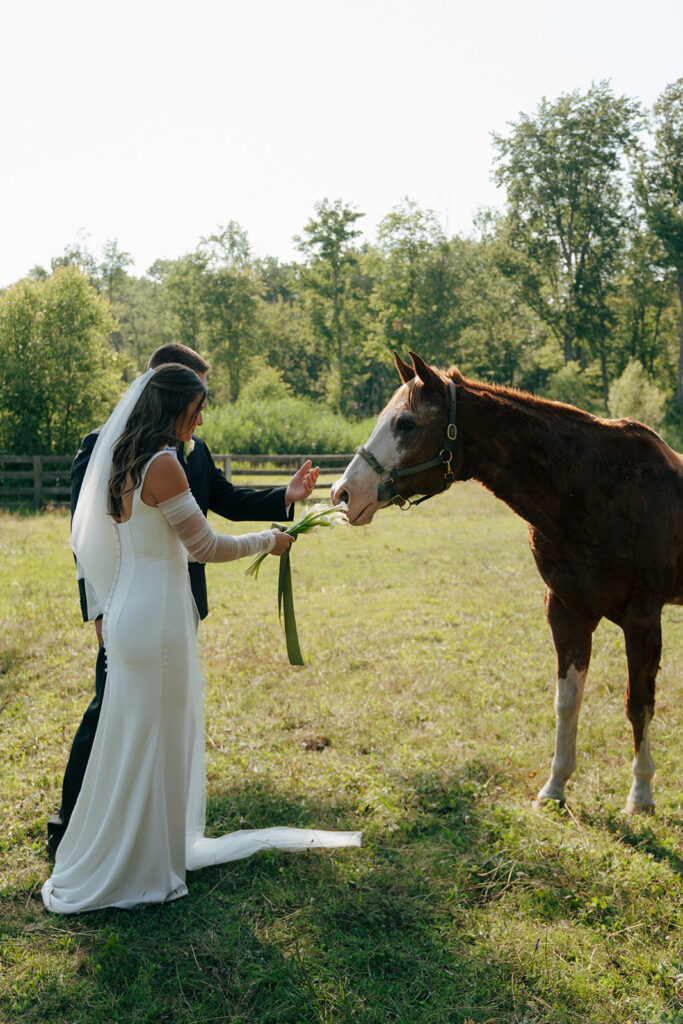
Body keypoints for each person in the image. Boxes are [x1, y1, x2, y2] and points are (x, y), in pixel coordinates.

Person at [42, 364, 360, 913]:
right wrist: (270, 540)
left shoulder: (120, 458)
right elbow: (203, 547)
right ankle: (143, 869)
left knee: (133, 739)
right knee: (152, 738)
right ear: (173, 408)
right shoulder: (163, 463)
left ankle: (126, 850)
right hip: (156, 617)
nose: (203, 416)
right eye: (197, 407)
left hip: (130, 610)